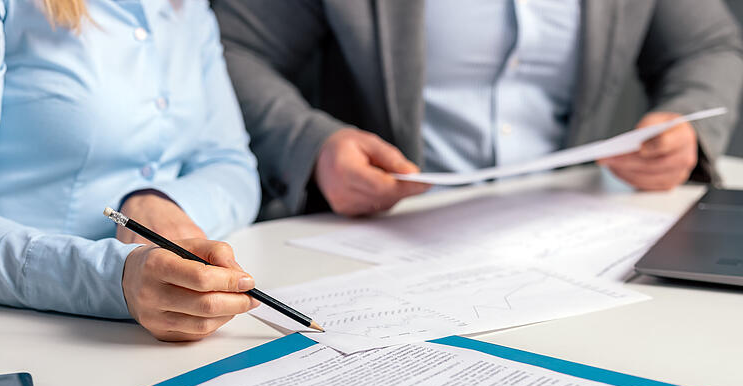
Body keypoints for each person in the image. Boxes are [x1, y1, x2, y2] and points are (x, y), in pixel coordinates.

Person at [213, 0, 743, 219]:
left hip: (569, 220)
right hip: (389, 230)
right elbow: (231, 46)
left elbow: (709, 46)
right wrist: (313, 144)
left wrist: (687, 125)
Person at [0, 0, 261, 341]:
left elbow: (231, 165)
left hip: (152, 332)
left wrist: (157, 200)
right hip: (15, 329)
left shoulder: (190, 9)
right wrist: (114, 279)